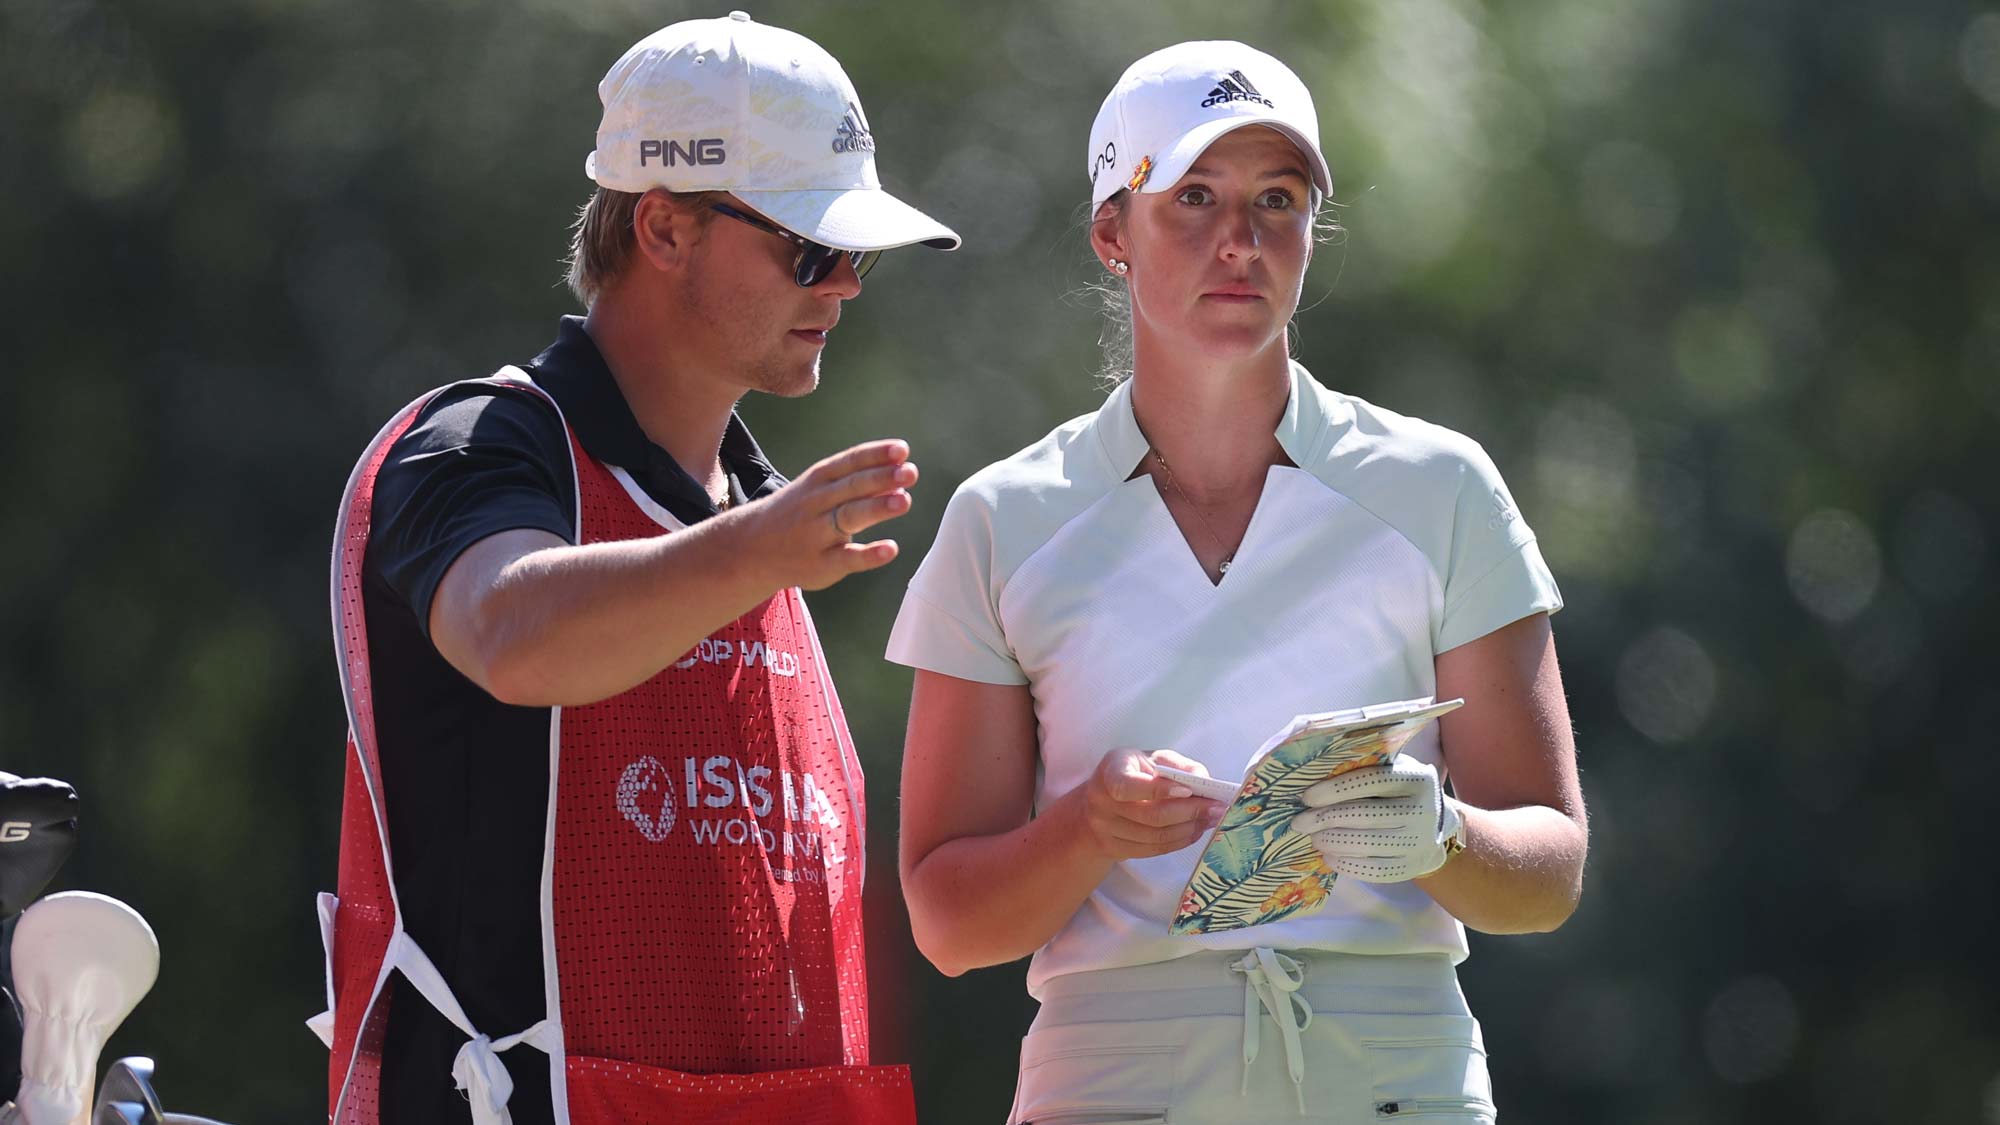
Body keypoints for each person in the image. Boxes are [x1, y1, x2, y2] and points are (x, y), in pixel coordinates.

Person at [890, 41, 1586, 1124]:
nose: (1240, 241)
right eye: (1194, 198)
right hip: (1110, 1083)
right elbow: (946, 920)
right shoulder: (1002, 518)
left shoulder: (1438, 487)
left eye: (1276, 199)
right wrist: (1087, 831)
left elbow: (1546, 870)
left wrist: (1437, 833)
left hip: (1394, 1080)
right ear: (1110, 233)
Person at [316, 12, 956, 1125]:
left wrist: (754, 540)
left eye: (855, 255)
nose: (844, 285)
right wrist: (754, 548)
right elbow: (511, 634)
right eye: (812, 248)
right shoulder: (479, 445)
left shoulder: (760, 518)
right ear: (661, 228)